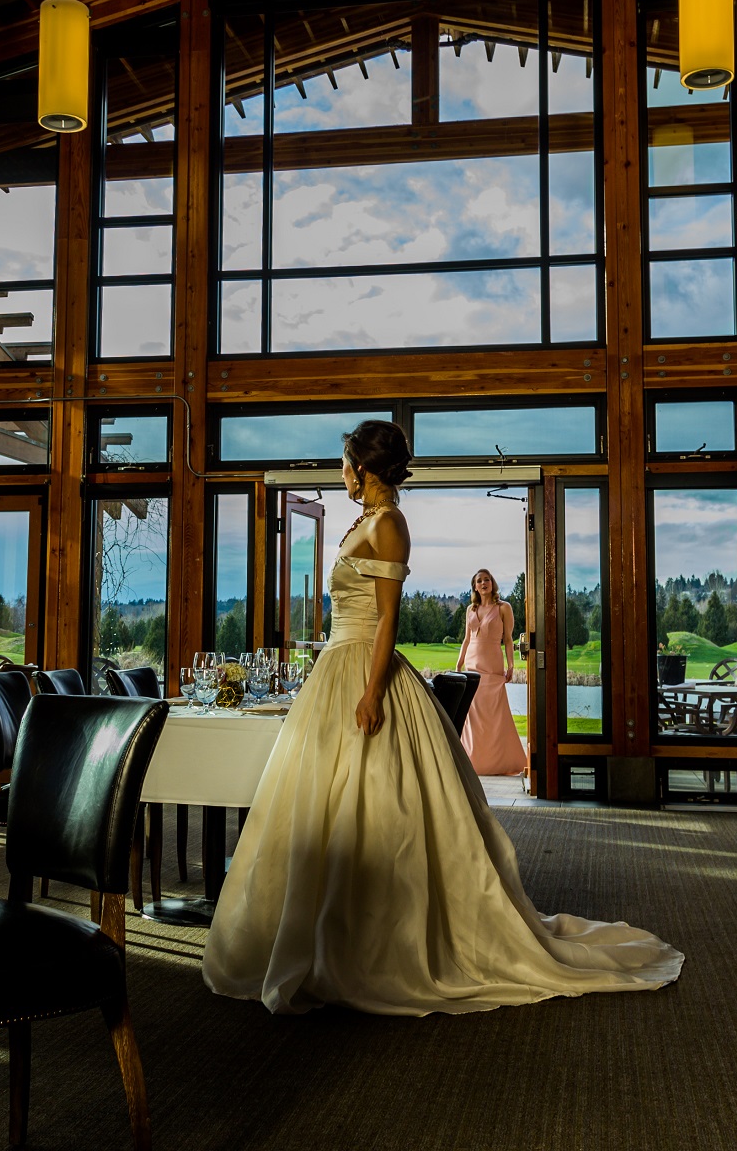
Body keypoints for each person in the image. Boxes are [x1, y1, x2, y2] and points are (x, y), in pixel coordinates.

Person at [203, 420, 683, 1016]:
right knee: (323, 810)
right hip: (336, 666)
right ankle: (320, 933)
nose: (344, 473)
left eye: (348, 463)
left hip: (364, 671)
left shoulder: (390, 524)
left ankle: (368, 944)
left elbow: (387, 619)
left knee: (378, 807)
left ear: (366, 467)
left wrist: (373, 691)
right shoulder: (361, 520)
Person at [455, 568, 528, 776]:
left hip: (493, 667)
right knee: (473, 716)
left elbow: (507, 639)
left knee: (495, 716)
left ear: (492, 583)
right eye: (479, 580)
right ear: (475, 587)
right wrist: (459, 664)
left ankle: (501, 761)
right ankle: (473, 760)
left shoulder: (503, 608)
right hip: (471, 667)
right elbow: (466, 640)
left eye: (487, 579)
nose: (484, 583)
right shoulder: (470, 609)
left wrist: (511, 665)